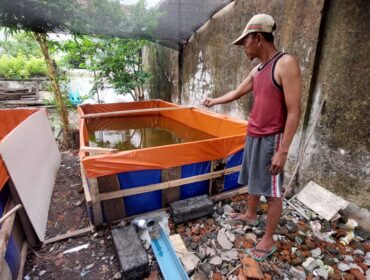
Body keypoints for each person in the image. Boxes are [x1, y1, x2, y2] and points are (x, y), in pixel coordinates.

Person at [203, 14, 301, 261]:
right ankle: (250, 213)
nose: (243, 48)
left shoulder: (285, 63)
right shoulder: (257, 69)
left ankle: (268, 239)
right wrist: (214, 101)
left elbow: (294, 111)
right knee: (254, 178)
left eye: (245, 42)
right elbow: (237, 92)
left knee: (273, 190)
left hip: (272, 138)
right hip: (254, 133)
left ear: (258, 38)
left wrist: (283, 150)